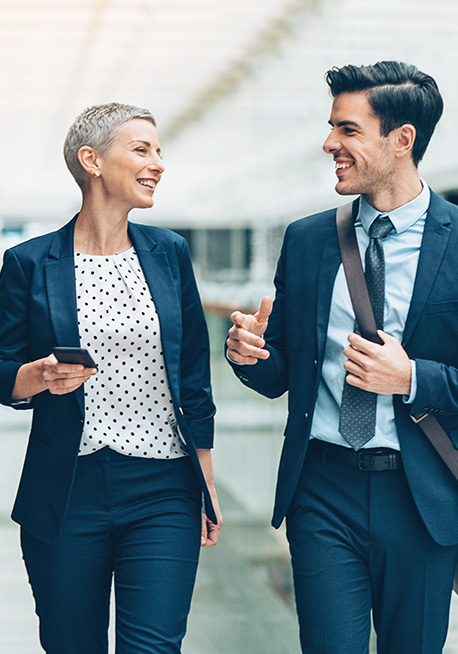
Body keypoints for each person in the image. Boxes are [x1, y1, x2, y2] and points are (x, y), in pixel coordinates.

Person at [226, 61, 458, 653]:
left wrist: (411, 377)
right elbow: (282, 371)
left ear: (402, 140)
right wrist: (249, 355)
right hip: (322, 492)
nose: (330, 143)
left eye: (348, 130)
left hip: (422, 495)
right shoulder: (308, 240)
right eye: (332, 127)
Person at [0, 102, 222, 654]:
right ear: (92, 160)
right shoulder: (29, 262)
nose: (158, 164)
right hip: (66, 488)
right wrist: (37, 375)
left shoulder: (169, 252)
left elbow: (193, 373)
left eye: (159, 151)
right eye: (142, 149)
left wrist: (206, 483)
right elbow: (2, 370)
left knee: (153, 647)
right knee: (72, 644)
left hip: (164, 488)